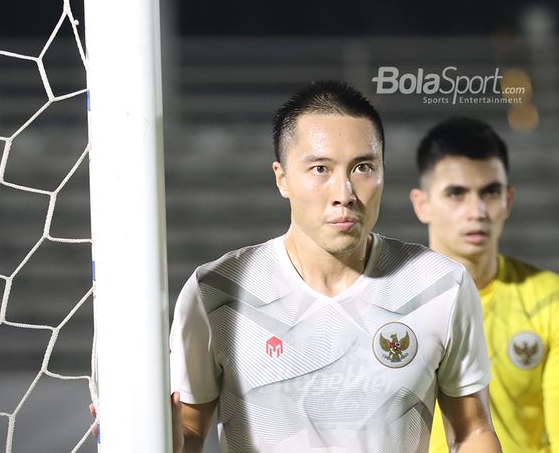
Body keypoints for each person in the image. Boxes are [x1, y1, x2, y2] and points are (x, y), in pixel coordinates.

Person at [168, 82, 502, 453]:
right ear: (282, 178)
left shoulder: (442, 285)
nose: (344, 192)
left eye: (362, 167)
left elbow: (472, 431)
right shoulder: (215, 291)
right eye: (320, 168)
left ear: (383, 172)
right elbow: (191, 434)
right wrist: (139, 427)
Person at [409, 117, 559, 453]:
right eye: (457, 193)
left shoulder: (556, 299)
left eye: (490, 192)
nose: (477, 210)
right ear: (422, 204)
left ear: (508, 200)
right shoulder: (385, 299)